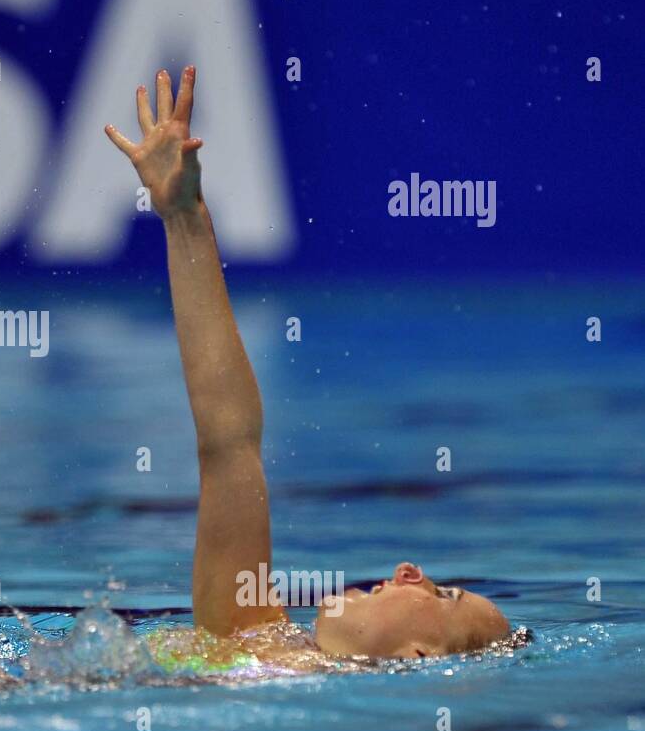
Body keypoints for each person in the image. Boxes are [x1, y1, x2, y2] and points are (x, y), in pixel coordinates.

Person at [105, 66, 514, 669]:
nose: (413, 572)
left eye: (443, 594)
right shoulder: (255, 638)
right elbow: (229, 439)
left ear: (421, 655)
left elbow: (227, 442)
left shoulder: (261, 653)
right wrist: (184, 217)